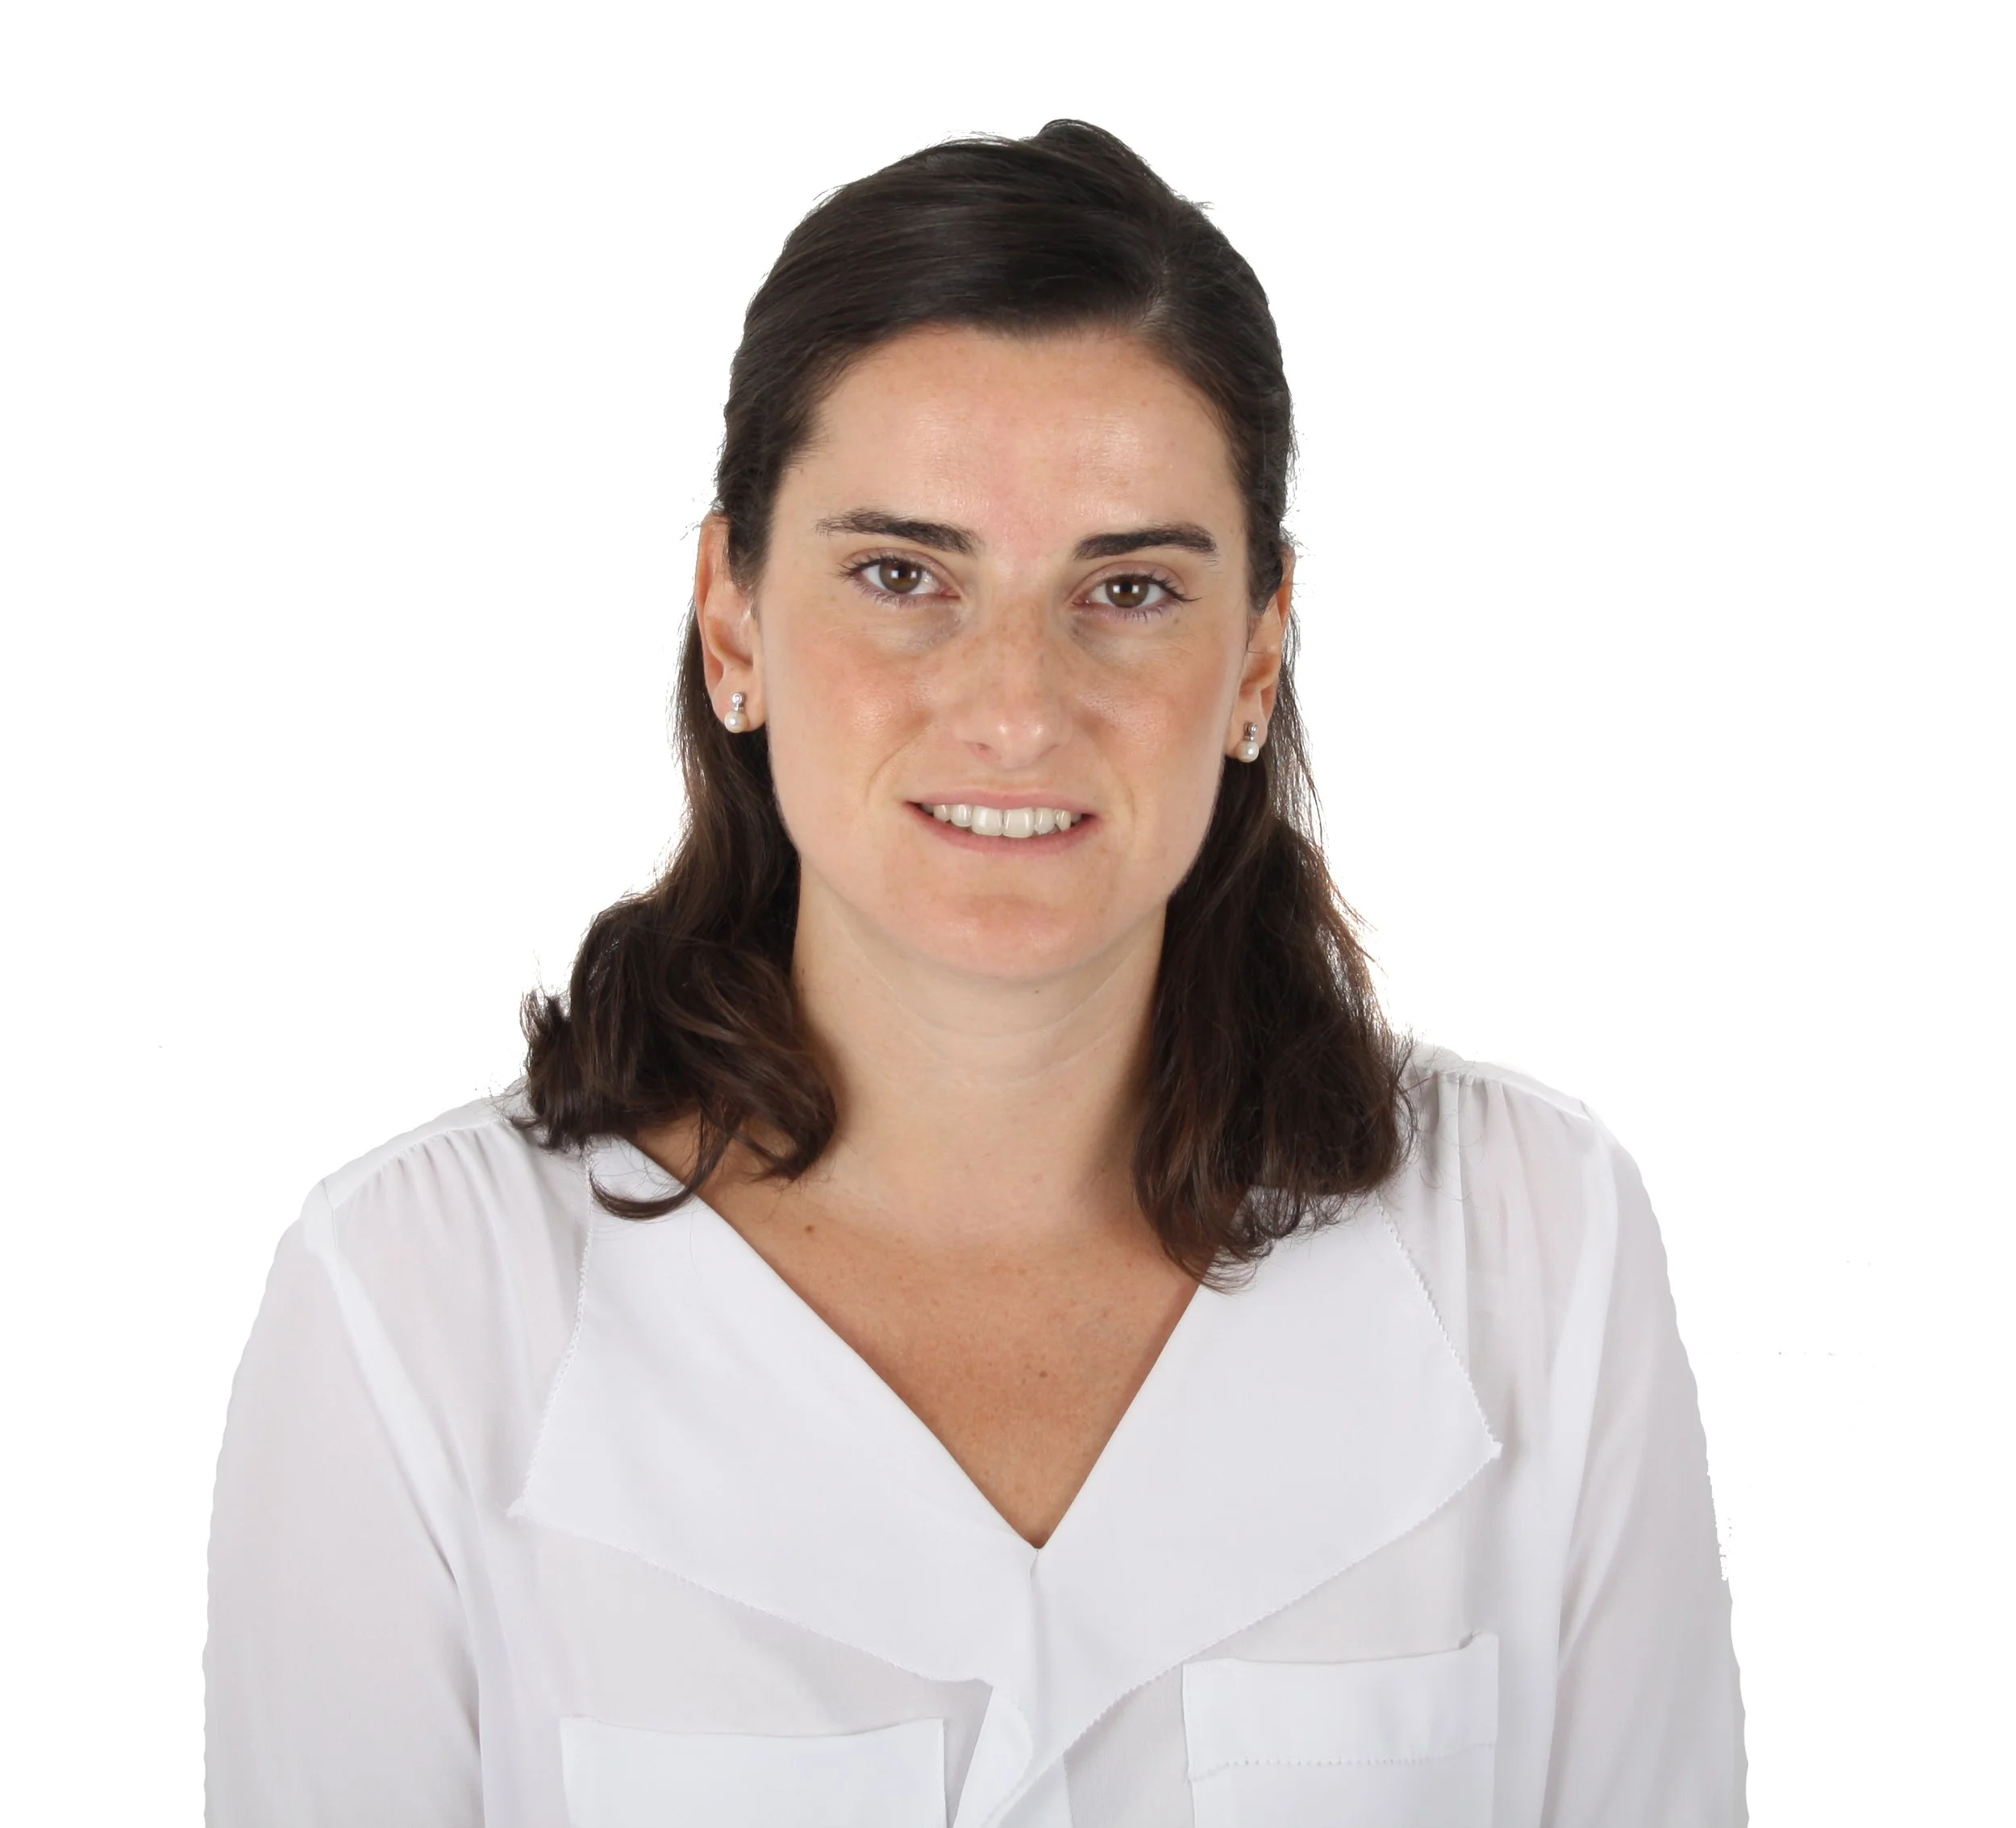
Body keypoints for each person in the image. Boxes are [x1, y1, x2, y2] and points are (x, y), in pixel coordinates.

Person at [205, 120, 1744, 1827]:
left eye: (1130, 586)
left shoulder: (1534, 1251)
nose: (1014, 703)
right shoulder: (416, 1311)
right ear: (731, 619)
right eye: (899, 575)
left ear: (1255, 654)